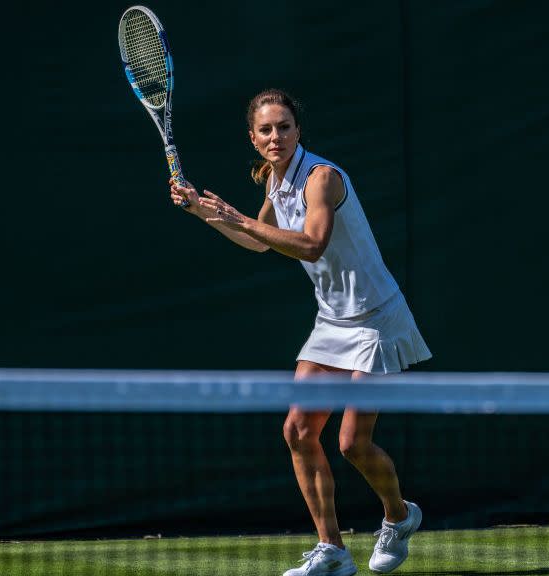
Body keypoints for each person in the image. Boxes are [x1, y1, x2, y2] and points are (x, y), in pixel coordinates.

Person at [170, 89, 431, 576]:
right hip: (331, 321)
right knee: (297, 430)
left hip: (375, 318)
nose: (276, 137)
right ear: (254, 138)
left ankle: (399, 516)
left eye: (284, 127)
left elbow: (311, 245)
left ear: (298, 130)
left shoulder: (322, 178)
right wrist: (199, 210)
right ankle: (331, 550)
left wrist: (237, 215)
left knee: (353, 443)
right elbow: (257, 242)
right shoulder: (274, 180)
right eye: (266, 130)